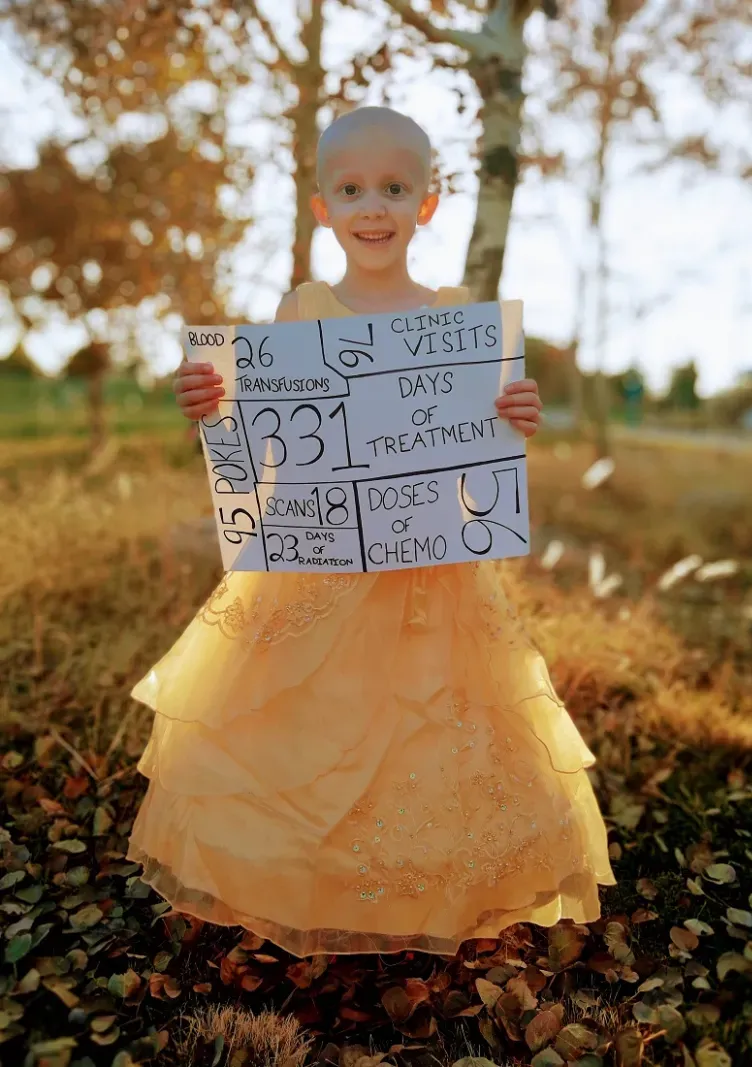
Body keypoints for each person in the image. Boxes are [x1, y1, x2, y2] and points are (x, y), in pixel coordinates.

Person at [127, 106, 615, 958]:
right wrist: (213, 403)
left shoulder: (456, 314)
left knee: (428, 730)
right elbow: (269, 431)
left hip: (429, 582)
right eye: (351, 189)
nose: (373, 207)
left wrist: (514, 417)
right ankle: (297, 884)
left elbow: (475, 445)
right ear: (323, 208)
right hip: (318, 572)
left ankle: (419, 901)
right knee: (312, 728)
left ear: (426, 203)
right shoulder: (304, 306)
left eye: (394, 188)